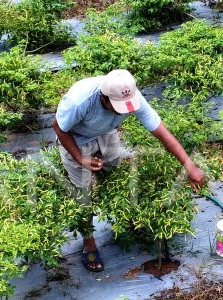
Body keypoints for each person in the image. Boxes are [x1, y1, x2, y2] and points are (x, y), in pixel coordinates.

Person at [53, 69, 206, 272]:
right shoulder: (79, 100)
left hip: (106, 133)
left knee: (114, 170)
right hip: (77, 138)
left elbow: (162, 133)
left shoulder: (130, 95)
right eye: (118, 107)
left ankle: (122, 217)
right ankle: (88, 241)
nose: (123, 111)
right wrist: (81, 159)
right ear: (104, 98)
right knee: (83, 191)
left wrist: (189, 165)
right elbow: (58, 127)